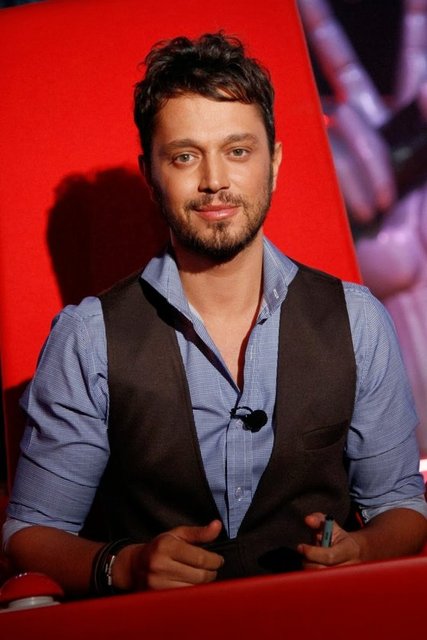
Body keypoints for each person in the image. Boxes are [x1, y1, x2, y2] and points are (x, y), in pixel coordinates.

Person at [3, 32, 427, 597]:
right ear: (151, 173)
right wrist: (124, 565)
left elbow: (401, 505)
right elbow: (30, 532)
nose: (214, 181)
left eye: (238, 151)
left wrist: (364, 550)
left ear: (274, 162)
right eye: (185, 156)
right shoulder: (87, 338)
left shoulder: (358, 320)